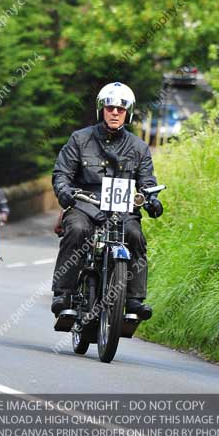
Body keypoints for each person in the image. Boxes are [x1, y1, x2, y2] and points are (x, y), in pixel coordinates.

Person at [51, 81, 163, 319]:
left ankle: (133, 300)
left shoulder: (139, 147)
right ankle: (63, 293)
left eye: (120, 109)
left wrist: (152, 199)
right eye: (110, 107)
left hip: (122, 211)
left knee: (134, 235)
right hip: (84, 205)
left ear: (128, 112)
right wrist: (64, 190)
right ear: (101, 109)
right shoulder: (79, 139)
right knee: (76, 229)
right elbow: (62, 173)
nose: (115, 112)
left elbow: (147, 182)